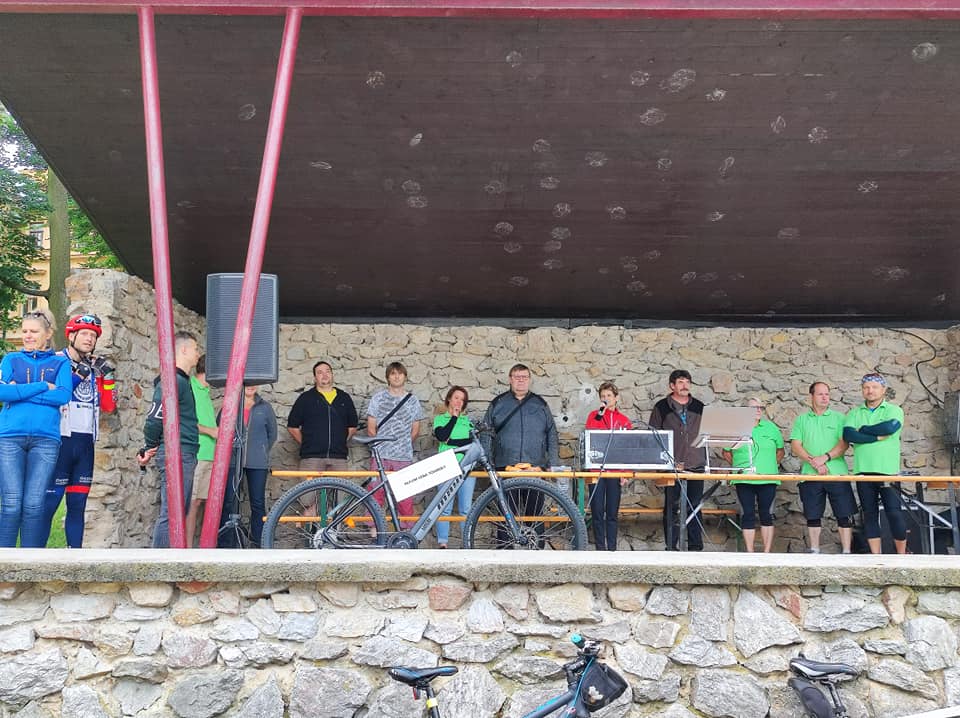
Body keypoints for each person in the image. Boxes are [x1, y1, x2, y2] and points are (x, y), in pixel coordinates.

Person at [40, 313, 117, 548]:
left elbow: (109, 406)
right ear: (71, 336)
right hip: (61, 440)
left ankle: (74, 555)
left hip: (85, 443)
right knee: (50, 503)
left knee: (78, 504)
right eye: (84, 333)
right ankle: (35, 555)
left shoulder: (94, 367)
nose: (89, 339)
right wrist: (79, 374)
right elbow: (54, 395)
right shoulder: (55, 360)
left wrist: (108, 377)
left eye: (93, 335)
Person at [0, 309, 72, 548]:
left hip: (46, 440)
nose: (28, 336)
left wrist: (18, 391)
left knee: (33, 504)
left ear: (48, 334)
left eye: (34, 331)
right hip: (10, 437)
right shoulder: (11, 359)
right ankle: (5, 563)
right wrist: (42, 386)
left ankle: (30, 564)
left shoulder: (60, 362)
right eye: (24, 331)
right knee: (11, 503)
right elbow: (1, 392)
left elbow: (63, 395)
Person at [482, 364, 559, 538]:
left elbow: (552, 434)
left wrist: (553, 463)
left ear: (529, 380)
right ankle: (504, 549)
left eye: (524, 377)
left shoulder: (540, 404)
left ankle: (537, 548)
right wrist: (488, 464)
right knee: (506, 515)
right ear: (510, 379)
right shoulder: (498, 403)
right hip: (505, 468)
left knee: (535, 514)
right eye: (517, 377)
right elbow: (486, 434)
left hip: (535, 468)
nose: (521, 380)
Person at [140, 331, 201, 548]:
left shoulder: (181, 380)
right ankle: (159, 562)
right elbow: (155, 418)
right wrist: (149, 445)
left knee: (178, 510)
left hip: (184, 452)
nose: (198, 353)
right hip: (178, 453)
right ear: (183, 350)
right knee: (172, 512)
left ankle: (168, 558)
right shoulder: (173, 380)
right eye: (195, 348)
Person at [843, 373, 907, 554]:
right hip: (863, 470)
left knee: (894, 513)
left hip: (888, 471)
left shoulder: (894, 410)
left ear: (883, 389)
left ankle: (902, 556)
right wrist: (876, 437)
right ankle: (875, 557)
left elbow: (890, 427)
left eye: (874, 387)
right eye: (866, 387)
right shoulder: (854, 413)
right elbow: (849, 435)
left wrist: (863, 429)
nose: (870, 391)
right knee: (869, 514)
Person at [789, 381, 855, 554]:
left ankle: (847, 551)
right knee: (812, 515)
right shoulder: (801, 420)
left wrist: (824, 458)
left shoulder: (840, 418)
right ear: (811, 396)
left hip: (837, 473)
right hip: (810, 474)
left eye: (827, 394)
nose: (825, 397)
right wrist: (814, 462)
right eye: (820, 394)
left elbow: (844, 444)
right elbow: (796, 445)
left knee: (844, 513)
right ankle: (814, 550)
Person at [649, 369, 707, 551]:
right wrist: (662, 463)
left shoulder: (700, 406)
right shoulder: (661, 407)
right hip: (671, 466)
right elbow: (653, 435)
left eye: (687, 382)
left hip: (695, 464)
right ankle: (671, 547)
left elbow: (707, 433)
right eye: (681, 382)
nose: (685, 385)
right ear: (672, 385)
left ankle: (696, 547)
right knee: (671, 507)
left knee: (695, 506)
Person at [366, 362, 425, 525]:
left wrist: (401, 445)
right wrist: (382, 446)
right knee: (376, 493)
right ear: (387, 377)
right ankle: (374, 530)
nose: (396, 376)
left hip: (403, 457)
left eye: (400, 373)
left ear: (405, 376)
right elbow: (371, 428)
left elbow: (415, 430)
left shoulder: (412, 401)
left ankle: (405, 531)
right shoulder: (378, 398)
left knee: (405, 497)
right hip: (381, 456)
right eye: (393, 373)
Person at [722, 398, 784, 553]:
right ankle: (750, 552)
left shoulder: (771, 428)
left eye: (760, 407)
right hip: (744, 478)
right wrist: (739, 466)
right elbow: (726, 452)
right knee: (747, 514)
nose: (758, 410)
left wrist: (769, 465)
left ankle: (766, 552)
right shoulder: (736, 428)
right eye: (754, 407)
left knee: (767, 514)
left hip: (768, 478)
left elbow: (780, 451)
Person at [220, 385, 278, 548]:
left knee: (257, 502)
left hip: (257, 463)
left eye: (254, 383)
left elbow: (272, 434)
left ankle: (258, 542)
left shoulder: (265, 407)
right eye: (248, 382)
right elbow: (220, 429)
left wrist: (260, 450)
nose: (251, 385)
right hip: (233, 461)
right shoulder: (231, 404)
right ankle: (226, 543)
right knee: (229, 501)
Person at [584, 381, 633, 551]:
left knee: (612, 512)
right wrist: (600, 414)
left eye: (609, 396)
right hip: (596, 470)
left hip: (615, 471)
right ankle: (600, 548)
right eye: (603, 396)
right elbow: (591, 436)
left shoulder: (623, 420)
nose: (606, 398)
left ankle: (612, 548)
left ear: (616, 398)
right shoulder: (594, 415)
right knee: (597, 511)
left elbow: (628, 448)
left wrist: (626, 472)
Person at [287, 360, 358, 474]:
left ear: (332, 374)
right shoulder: (305, 398)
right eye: (320, 372)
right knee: (309, 486)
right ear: (315, 378)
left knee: (340, 486)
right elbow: (292, 426)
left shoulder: (344, 398)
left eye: (328, 371)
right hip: (311, 458)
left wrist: (340, 442)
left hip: (338, 458)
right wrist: (307, 444)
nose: (325, 375)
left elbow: (353, 426)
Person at [433, 386, 475, 548]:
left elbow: (472, 443)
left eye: (462, 400)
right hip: (445, 466)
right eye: (456, 397)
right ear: (449, 398)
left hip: (466, 466)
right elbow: (442, 436)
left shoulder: (468, 422)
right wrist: (454, 418)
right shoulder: (440, 419)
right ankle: (443, 542)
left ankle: (466, 543)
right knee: (444, 506)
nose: (459, 402)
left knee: (466, 508)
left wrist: (451, 443)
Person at [184, 355, 218, 548]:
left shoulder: (205, 391)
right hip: (196, 454)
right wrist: (211, 431)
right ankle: (187, 548)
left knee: (200, 502)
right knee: (191, 503)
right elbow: (185, 421)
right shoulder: (191, 388)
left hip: (209, 454)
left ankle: (199, 547)